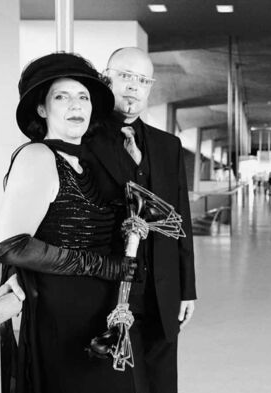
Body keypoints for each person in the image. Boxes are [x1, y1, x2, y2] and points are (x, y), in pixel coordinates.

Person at [0, 52, 138, 393]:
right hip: (63, 314)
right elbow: (13, 245)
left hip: (102, 312)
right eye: (62, 96)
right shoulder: (37, 156)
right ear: (42, 109)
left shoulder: (87, 159)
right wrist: (102, 264)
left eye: (83, 97)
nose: (77, 105)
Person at [81, 47, 196, 393]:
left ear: (150, 88)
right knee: (119, 382)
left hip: (162, 291)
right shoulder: (83, 141)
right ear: (106, 79)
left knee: (162, 381)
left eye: (142, 80)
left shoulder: (168, 146)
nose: (134, 87)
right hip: (108, 290)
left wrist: (187, 287)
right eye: (125, 77)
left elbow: (181, 220)